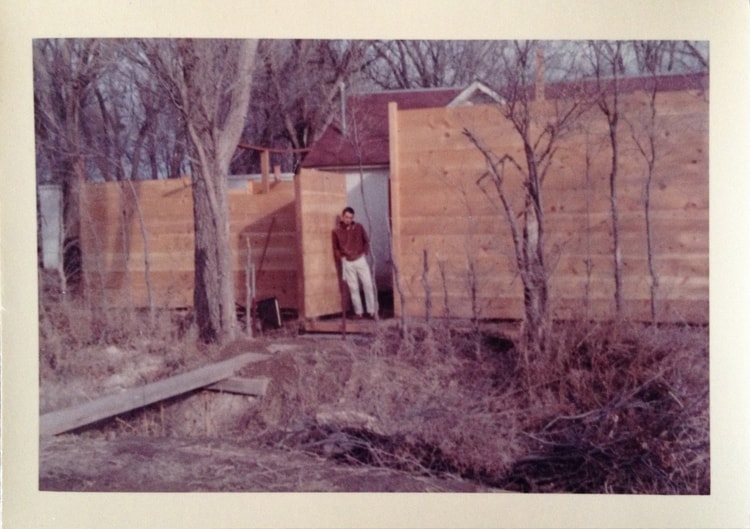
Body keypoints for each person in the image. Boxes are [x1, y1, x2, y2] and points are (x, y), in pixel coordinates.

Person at [332, 206, 377, 319]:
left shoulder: (359, 227)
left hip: (360, 260)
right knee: (353, 288)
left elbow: (366, 241)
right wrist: (340, 257)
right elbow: (335, 248)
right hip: (347, 262)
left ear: (353, 218)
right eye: (346, 217)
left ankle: (372, 311)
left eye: (350, 218)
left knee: (367, 284)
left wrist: (364, 253)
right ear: (342, 217)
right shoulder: (336, 231)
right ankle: (359, 313)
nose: (348, 220)